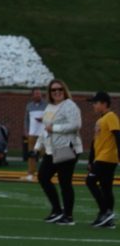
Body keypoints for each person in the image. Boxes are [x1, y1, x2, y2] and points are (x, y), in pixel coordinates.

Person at [34, 78, 83, 226]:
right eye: (53, 90)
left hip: (67, 147)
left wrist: (55, 129)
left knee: (64, 182)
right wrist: (37, 148)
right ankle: (57, 210)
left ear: (64, 90)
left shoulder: (69, 105)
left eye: (60, 89)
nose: (57, 92)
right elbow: (45, 130)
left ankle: (68, 216)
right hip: (52, 149)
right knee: (43, 176)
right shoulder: (49, 107)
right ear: (49, 93)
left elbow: (76, 125)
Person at [84, 91, 118, 229]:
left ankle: (105, 211)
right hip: (100, 157)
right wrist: (91, 160)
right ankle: (107, 220)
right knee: (106, 187)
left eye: (96, 103)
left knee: (90, 181)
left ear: (104, 104)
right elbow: (94, 143)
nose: (93, 105)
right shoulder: (100, 120)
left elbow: (118, 135)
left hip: (107, 157)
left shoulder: (111, 117)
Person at [24, 87, 45, 181]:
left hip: (43, 134)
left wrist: (43, 119)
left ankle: (45, 172)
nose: (38, 95)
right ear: (32, 95)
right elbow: (26, 119)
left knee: (45, 154)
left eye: (39, 93)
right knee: (31, 154)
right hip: (32, 134)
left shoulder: (46, 105)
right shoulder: (29, 106)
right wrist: (26, 130)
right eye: (36, 93)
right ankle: (31, 172)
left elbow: (51, 116)